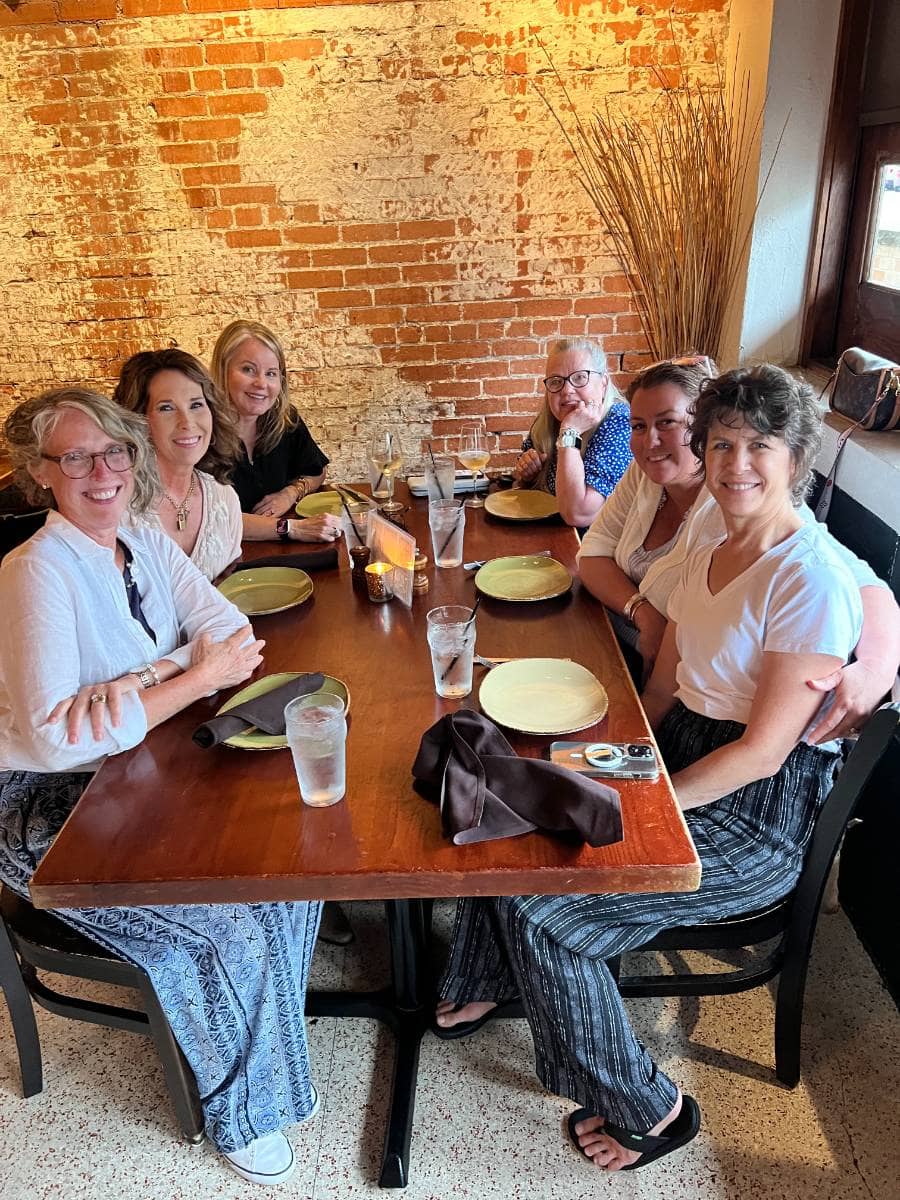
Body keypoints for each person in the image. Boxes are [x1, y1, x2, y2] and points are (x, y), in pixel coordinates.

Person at [434, 366, 883, 1173]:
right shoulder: (713, 530)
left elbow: (764, 752)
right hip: (680, 745)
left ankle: (655, 1107)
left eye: (758, 446)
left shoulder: (807, 577)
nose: (735, 463)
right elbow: (670, 662)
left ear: (797, 456)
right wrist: (619, 749)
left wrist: (648, 803)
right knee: (522, 786)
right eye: (720, 445)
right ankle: (489, 973)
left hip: (757, 811)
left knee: (552, 914)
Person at [0, 389, 320, 1186]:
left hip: (137, 763)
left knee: (292, 867)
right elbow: (56, 733)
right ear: (42, 475)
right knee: (222, 927)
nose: (101, 471)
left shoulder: (142, 538)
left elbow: (230, 634)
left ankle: (267, 1037)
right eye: (75, 457)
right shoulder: (33, 570)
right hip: (43, 805)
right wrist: (189, 675)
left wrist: (146, 679)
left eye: (112, 451)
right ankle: (243, 1112)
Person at [578, 357, 900, 741]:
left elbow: (854, 578)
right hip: (631, 658)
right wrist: (643, 613)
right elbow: (591, 555)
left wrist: (877, 668)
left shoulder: (745, 503)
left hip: (695, 704)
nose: (650, 441)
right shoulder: (646, 474)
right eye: (638, 425)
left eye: (667, 422)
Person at [114, 349, 340, 580]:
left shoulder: (221, 496)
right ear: (137, 420)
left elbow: (229, 586)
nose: (187, 422)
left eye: (195, 405)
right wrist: (292, 528)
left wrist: (291, 493)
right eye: (166, 408)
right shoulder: (113, 509)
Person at [210, 320, 330, 519]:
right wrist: (290, 529)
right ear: (223, 370)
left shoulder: (284, 419)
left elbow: (317, 470)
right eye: (248, 369)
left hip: (281, 547)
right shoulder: (201, 432)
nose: (261, 383)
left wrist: (290, 493)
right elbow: (210, 522)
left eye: (271, 373)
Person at [513, 337, 632, 527]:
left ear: (603, 383)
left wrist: (570, 433)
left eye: (579, 377)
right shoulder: (549, 421)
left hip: (599, 548)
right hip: (550, 532)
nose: (566, 390)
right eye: (556, 381)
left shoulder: (619, 422)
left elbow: (579, 515)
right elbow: (526, 484)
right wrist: (528, 472)